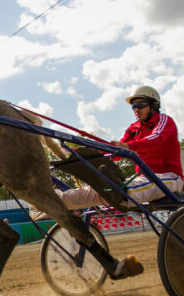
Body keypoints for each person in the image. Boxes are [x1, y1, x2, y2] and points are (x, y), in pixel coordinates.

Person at [55, 86, 183, 211]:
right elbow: (116, 153)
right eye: (134, 106)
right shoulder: (133, 128)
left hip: (169, 177)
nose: (136, 110)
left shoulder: (164, 120)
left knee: (124, 189)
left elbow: (156, 139)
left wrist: (129, 146)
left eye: (141, 105)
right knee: (99, 189)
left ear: (154, 106)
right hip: (142, 179)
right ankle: (56, 200)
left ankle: (120, 191)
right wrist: (91, 152)